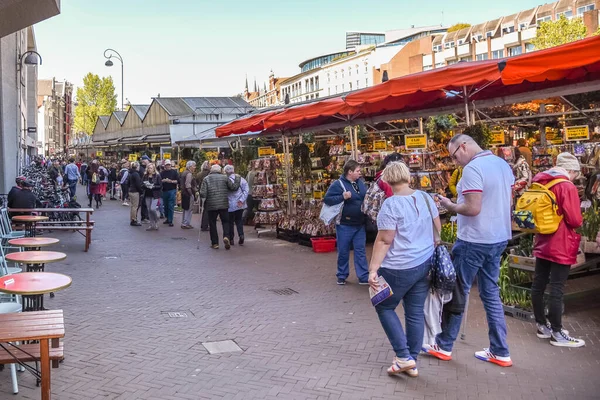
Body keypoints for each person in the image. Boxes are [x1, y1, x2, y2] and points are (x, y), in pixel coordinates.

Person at [423, 134, 514, 367]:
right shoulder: (502, 164)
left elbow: (473, 208)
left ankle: (443, 345)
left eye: (455, 156)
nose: (455, 162)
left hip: (474, 239)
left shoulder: (473, 169)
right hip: (499, 236)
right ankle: (500, 350)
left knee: (457, 291)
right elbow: (506, 201)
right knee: (490, 293)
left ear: (463, 146)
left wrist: (448, 204)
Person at [368, 161, 440, 378]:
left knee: (384, 306)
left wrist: (373, 269)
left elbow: (384, 240)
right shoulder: (426, 198)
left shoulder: (390, 205)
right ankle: (412, 359)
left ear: (387, 181)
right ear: (409, 177)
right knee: (415, 311)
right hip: (424, 262)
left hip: (398, 266)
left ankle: (403, 356)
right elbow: (437, 226)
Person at [531, 153, 585, 347]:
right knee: (557, 287)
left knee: (539, 283)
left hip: (542, 239)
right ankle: (557, 332)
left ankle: (542, 326)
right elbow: (575, 220)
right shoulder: (566, 186)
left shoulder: (542, 181)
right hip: (561, 242)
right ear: (571, 170)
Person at [323, 160, 368, 285]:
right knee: (343, 250)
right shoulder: (338, 184)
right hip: (345, 224)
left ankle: (363, 276)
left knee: (360, 250)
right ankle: (342, 275)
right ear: (350, 172)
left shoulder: (360, 183)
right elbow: (327, 199)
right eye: (358, 171)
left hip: (360, 223)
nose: (360, 173)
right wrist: (342, 196)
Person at [199, 164, 240, 249]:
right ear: (220, 170)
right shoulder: (225, 178)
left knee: (212, 223)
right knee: (225, 222)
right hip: (223, 204)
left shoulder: (206, 179)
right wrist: (237, 178)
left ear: (211, 170)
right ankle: (226, 237)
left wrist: (202, 197)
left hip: (211, 205)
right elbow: (233, 187)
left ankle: (215, 243)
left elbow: (203, 193)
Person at [224, 165, 249, 246]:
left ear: (226, 172)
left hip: (230, 204)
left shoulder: (226, 180)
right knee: (239, 221)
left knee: (230, 222)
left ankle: (231, 239)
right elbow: (246, 190)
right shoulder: (241, 179)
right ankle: (241, 235)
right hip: (239, 204)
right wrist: (242, 200)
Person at [142, 163, 162, 231]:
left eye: (151, 168)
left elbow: (160, 186)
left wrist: (153, 186)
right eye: (148, 168)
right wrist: (146, 185)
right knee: (149, 210)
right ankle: (151, 224)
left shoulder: (157, 176)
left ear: (153, 169)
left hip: (155, 195)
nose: (149, 169)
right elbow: (142, 184)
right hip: (147, 194)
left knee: (153, 209)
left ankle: (157, 220)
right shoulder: (145, 176)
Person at [160, 159, 179, 227]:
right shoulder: (162, 173)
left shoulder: (174, 172)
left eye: (169, 165)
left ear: (170, 165)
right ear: (164, 166)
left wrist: (171, 181)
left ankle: (170, 220)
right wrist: (163, 180)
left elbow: (177, 181)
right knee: (165, 205)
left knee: (170, 205)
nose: (168, 166)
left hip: (172, 190)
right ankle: (167, 218)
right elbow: (159, 181)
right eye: (166, 165)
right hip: (164, 190)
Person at [180, 161, 197, 229]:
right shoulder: (189, 174)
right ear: (190, 167)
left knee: (185, 208)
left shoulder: (184, 172)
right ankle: (186, 223)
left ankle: (184, 222)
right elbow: (188, 185)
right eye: (194, 166)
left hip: (184, 193)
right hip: (188, 193)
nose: (195, 168)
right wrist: (191, 194)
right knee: (189, 209)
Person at [195, 161, 211, 231]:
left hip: (201, 193)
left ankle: (203, 225)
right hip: (208, 193)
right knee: (207, 210)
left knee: (204, 209)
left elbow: (196, 184)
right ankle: (205, 225)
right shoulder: (209, 174)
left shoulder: (199, 174)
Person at [128, 162, 143, 226]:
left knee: (132, 206)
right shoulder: (136, 174)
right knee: (135, 206)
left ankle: (132, 219)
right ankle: (134, 220)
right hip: (135, 191)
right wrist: (141, 191)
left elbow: (128, 182)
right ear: (137, 166)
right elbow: (138, 184)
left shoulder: (130, 173)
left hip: (131, 190)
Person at [139, 155, 151, 223]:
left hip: (147, 187)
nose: (148, 161)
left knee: (146, 202)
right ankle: (144, 217)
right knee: (144, 203)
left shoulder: (144, 168)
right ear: (144, 160)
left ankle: (146, 216)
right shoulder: (142, 169)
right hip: (144, 187)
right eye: (147, 160)